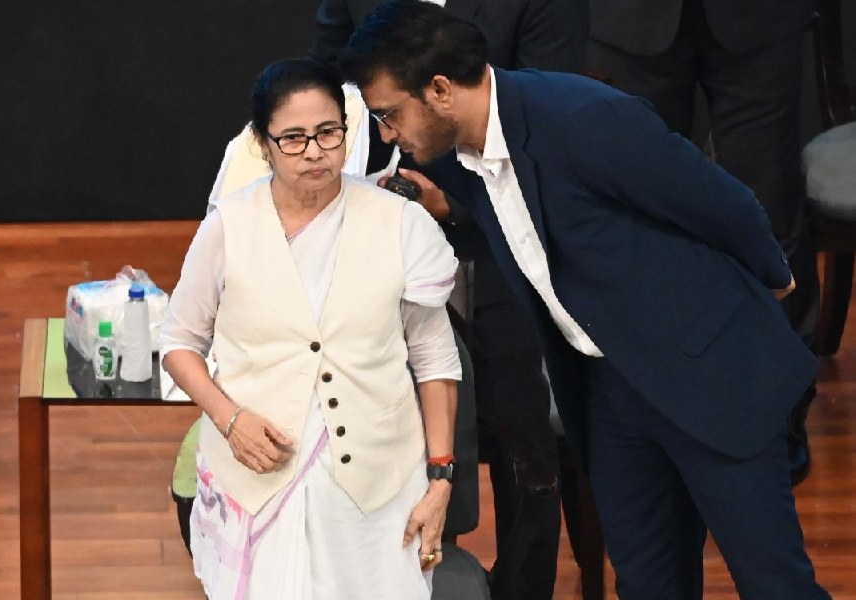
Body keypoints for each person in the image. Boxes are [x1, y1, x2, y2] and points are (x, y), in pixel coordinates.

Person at [338, 1, 832, 598]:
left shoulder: (583, 117)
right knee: (647, 584)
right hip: (609, 392)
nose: (389, 135)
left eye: (390, 115)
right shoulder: (456, 155)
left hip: (708, 379)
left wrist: (767, 285)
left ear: (440, 89)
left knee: (774, 584)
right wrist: (450, 214)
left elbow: (724, 204)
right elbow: (530, 227)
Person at [311, 2, 590, 598]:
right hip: (366, 224)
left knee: (522, 420)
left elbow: (543, 132)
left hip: (500, 235)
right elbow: (321, 83)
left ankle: (522, 584)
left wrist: (456, 207)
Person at [160, 58, 460, 600]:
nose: (315, 151)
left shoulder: (399, 223)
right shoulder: (228, 226)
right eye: (293, 139)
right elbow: (179, 343)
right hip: (259, 477)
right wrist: (231, 421)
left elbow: (436, 358)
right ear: (263, 143)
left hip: (379, 485)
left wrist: (440, 477)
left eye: (328, 133)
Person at [585, 0, 820, 486]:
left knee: (768, 211)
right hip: (627, 17)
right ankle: (656, 415)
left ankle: (778, 414)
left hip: (759, 20)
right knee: (639, 217)